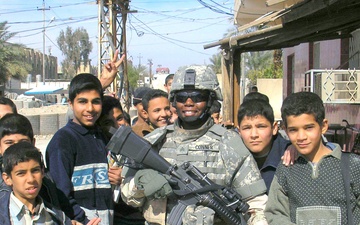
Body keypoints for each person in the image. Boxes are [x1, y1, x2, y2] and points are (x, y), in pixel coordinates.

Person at [121, 65, 268, 225]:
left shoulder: (229, 143)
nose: (189, 103)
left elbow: (256, 205)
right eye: (182, 97)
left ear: (210, 100)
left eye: (198, 97)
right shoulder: (156, 141)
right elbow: (125, 195)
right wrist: (139, 184)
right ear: (174, 101)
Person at [264, 92, 360, 224]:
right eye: (293, 130)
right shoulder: (286, 169)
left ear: (323, 126)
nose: (301, 136)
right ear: (285, 130)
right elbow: (276, 213)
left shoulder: (352, 166)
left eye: (308, 128)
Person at [46, 74, 121, 224]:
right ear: (70, 103)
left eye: (96, 102)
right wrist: (81, 219)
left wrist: (119, 178)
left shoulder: (101, 137)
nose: (90, 108)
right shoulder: (63, 141)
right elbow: (60, 193)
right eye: (82, 102)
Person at [237, 99, 291, 192]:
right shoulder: (232, 156)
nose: (254, 135)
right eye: (247, 128)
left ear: (274, 128)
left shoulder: (289, 155)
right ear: (239, 131)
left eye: (261, 127)